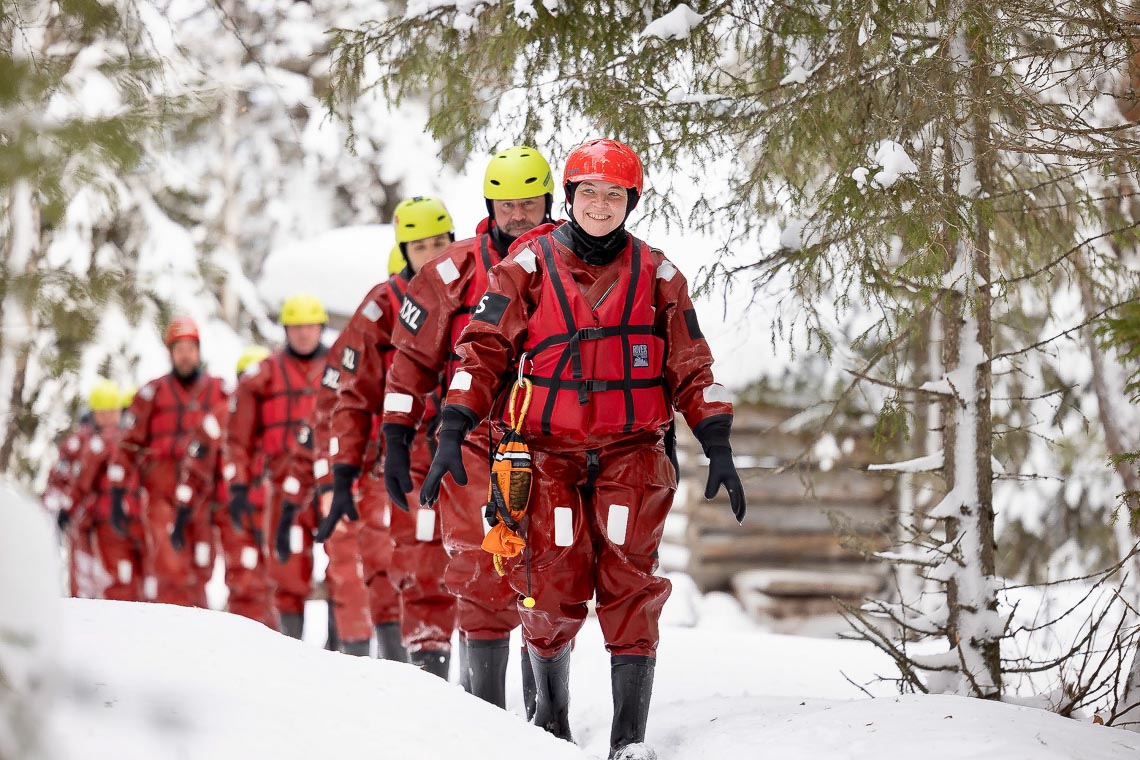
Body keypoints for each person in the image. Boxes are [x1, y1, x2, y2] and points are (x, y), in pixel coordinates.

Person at [419, 139, 746, 759]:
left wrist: (717, 439)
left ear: (632, 201)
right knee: (550, 581)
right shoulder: (526, 265)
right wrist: (454, 428)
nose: (600, 205)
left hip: (632, 454)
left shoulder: (659, 273)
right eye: (588, 192)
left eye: (614, 194)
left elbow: (693, 367)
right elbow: (481, 350)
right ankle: (552, 726)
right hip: (546, 455)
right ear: (567, 197)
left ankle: (629, 740)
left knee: (630, 584)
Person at [381, 148, 553, 707]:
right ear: (490, 208)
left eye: (530, 203)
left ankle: (547, 719)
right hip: (472, 437)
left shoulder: (571, 263)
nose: (519, 216)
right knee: (481, 563)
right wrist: (396, 436)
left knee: (546, 567)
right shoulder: (448, 273)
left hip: (553, 437)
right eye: (508, 206)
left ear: (550, 201)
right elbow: (408, 361)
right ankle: (484, 715)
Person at [323, 198, 458, 677]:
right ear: (404, 249)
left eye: (441, 242)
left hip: (471, 445)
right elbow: (351, 395)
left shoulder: (479, 284)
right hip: (406, 452)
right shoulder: (383, 305)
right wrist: (341, 470)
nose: (432, 253)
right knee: (409, 563)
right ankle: (418, 677)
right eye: (420, 246)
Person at [225, 294, 328, 639]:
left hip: (334, 483)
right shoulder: (264, 375)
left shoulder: (340, 368)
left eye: (310, 327)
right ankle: (289, 648)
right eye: (296, 328)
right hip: (285, 486)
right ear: (286, 330)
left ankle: (345, 655)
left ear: (321, 328)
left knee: (347, 573)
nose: (303, 335)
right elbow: (237, 438)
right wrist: (238, 484)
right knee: (287, 570)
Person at [111, 316, 227, 606]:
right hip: (161, 492)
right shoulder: (152, 393)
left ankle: (200, 636)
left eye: (190, 348)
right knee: (169, 567)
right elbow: (127, 446)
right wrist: (117, 493)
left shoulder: (219, 392)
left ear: (199, 351)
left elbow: (235, 442)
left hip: (203, 494)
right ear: (170, 353)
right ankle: (172, 635)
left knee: (202, 568)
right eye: (179, 349)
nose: (185, 355)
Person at [172, 345, 277, 629]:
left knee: (278, 582)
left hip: (275, 512)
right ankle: (249, 645)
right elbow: (194, 467)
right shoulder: (220, 418)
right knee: (245, 582)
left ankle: (281, 648)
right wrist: (184, 510)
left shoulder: (282, 418)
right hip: (234, 514)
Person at [68, 379, 144, 601]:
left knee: (131, 577)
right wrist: (71, 509)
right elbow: (81, 483)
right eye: (102, 413)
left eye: (112, 413)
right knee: (108, 577)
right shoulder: (89, 443)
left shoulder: (130, 442)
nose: (108, 419)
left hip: (131, 518)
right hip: (102, 520)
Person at [47, 414, 96, 597]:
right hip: (68, 503)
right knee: (71, 554)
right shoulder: (77, 442)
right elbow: (62, 475)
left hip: (79, 505)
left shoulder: (90, 442)